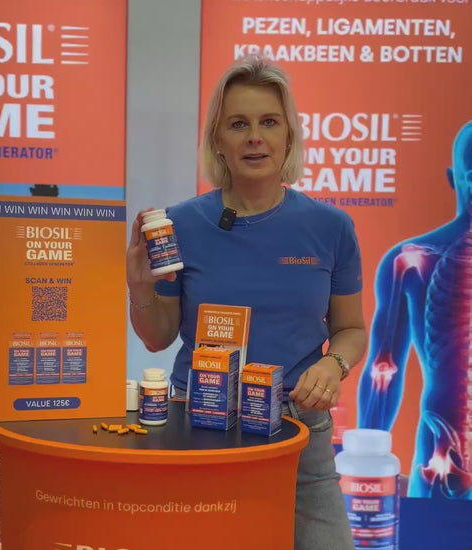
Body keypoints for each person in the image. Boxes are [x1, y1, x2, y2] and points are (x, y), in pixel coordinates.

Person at [127, 56, 367, 550]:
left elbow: (351, 328)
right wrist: (139, 289)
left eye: (269, 122)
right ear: (218, 139)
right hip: (200, 422)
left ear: (289, 136)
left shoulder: (331, 227)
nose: (255, 137)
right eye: (239, 124)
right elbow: (157, 338)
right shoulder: (179, 224)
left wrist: (334, 365)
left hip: (299, 429)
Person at [358, 121, 472, 500]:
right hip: (442, 457)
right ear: (453, 179)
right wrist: (367, 474)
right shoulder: (410, 261)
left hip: (441, 451)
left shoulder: (411, 261)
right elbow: (384, 368)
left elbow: (383, 368)